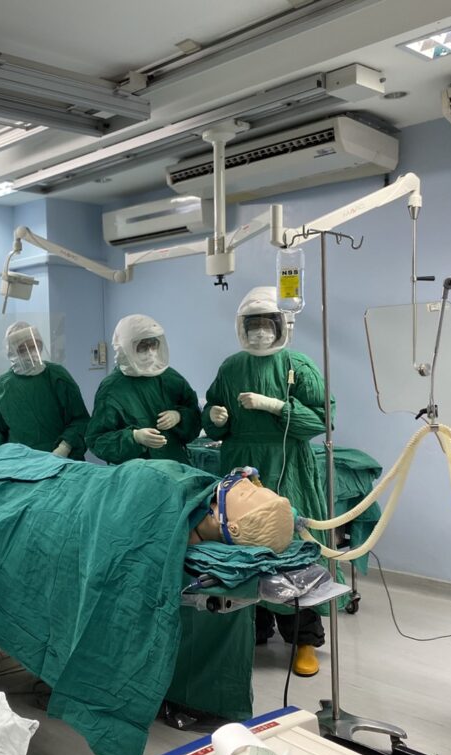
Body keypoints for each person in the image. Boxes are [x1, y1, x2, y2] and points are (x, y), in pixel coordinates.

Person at [201, 286, 335, 677]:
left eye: (266, 323)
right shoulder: (230, 367)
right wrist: (214, 418)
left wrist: (277, 406)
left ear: (281, 325)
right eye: (253, 324)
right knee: (243, 544)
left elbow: (323, 420)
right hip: (241, 463)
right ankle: (255, 628)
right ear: (241, 327)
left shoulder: (298, 365)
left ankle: (304, 639)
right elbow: (212, 416)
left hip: (286, 464)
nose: (259, 331)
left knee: (290, 546)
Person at [86, 314, 201, 464]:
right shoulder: (112, 388)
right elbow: (97, 440)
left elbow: (195, 414)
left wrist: (179, 416)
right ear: (125, 347)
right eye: (143, 347)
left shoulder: (170, 378)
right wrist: (134, 437)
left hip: (176, 466)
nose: (151, 352)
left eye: (154, 345)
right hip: (135, 472)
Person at [0, 321, 91, 459]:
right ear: (12, 352)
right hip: (20, 463)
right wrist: (4, 460)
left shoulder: (57, 377)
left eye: (34, 346)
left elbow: (80, 419)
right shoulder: (2, 387)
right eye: (23, 349)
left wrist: (64, 448)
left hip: (62, 461)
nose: (31, 353)